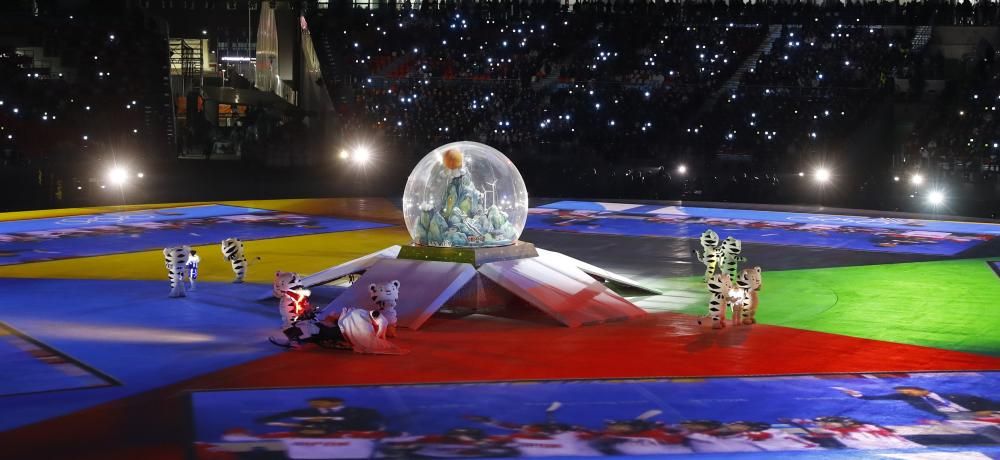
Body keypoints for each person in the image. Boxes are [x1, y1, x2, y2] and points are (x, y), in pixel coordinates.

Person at [834, 385, 1000, 442]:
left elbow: (979, 400)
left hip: (980, 412)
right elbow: (871, 397)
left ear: (921, 390)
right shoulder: (906, 398)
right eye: (904, 392)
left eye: (909, 391)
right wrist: (856, 394)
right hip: (959, 418)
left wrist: (990, 411)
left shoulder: (951, 394)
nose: (907, 394)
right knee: (986, 431)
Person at [255, 397, 384, 433]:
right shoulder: (304, 413)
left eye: (317, 402)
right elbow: (286, 414)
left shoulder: (358, 411)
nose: (313, 405)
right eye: (312, 403)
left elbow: (376, 419)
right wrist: (265, 420)